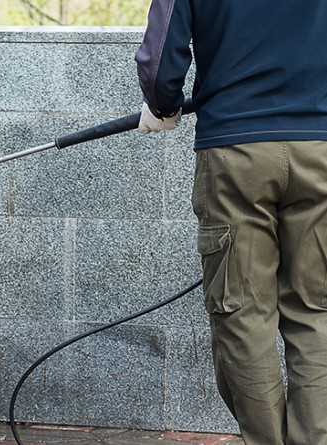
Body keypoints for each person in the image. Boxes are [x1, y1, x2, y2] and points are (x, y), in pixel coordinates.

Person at [134, 2, 327, 444]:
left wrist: (162, 105)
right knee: (317, 312)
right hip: (321, 146)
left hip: (236, 150)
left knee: (242, 314)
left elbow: (162, 54)